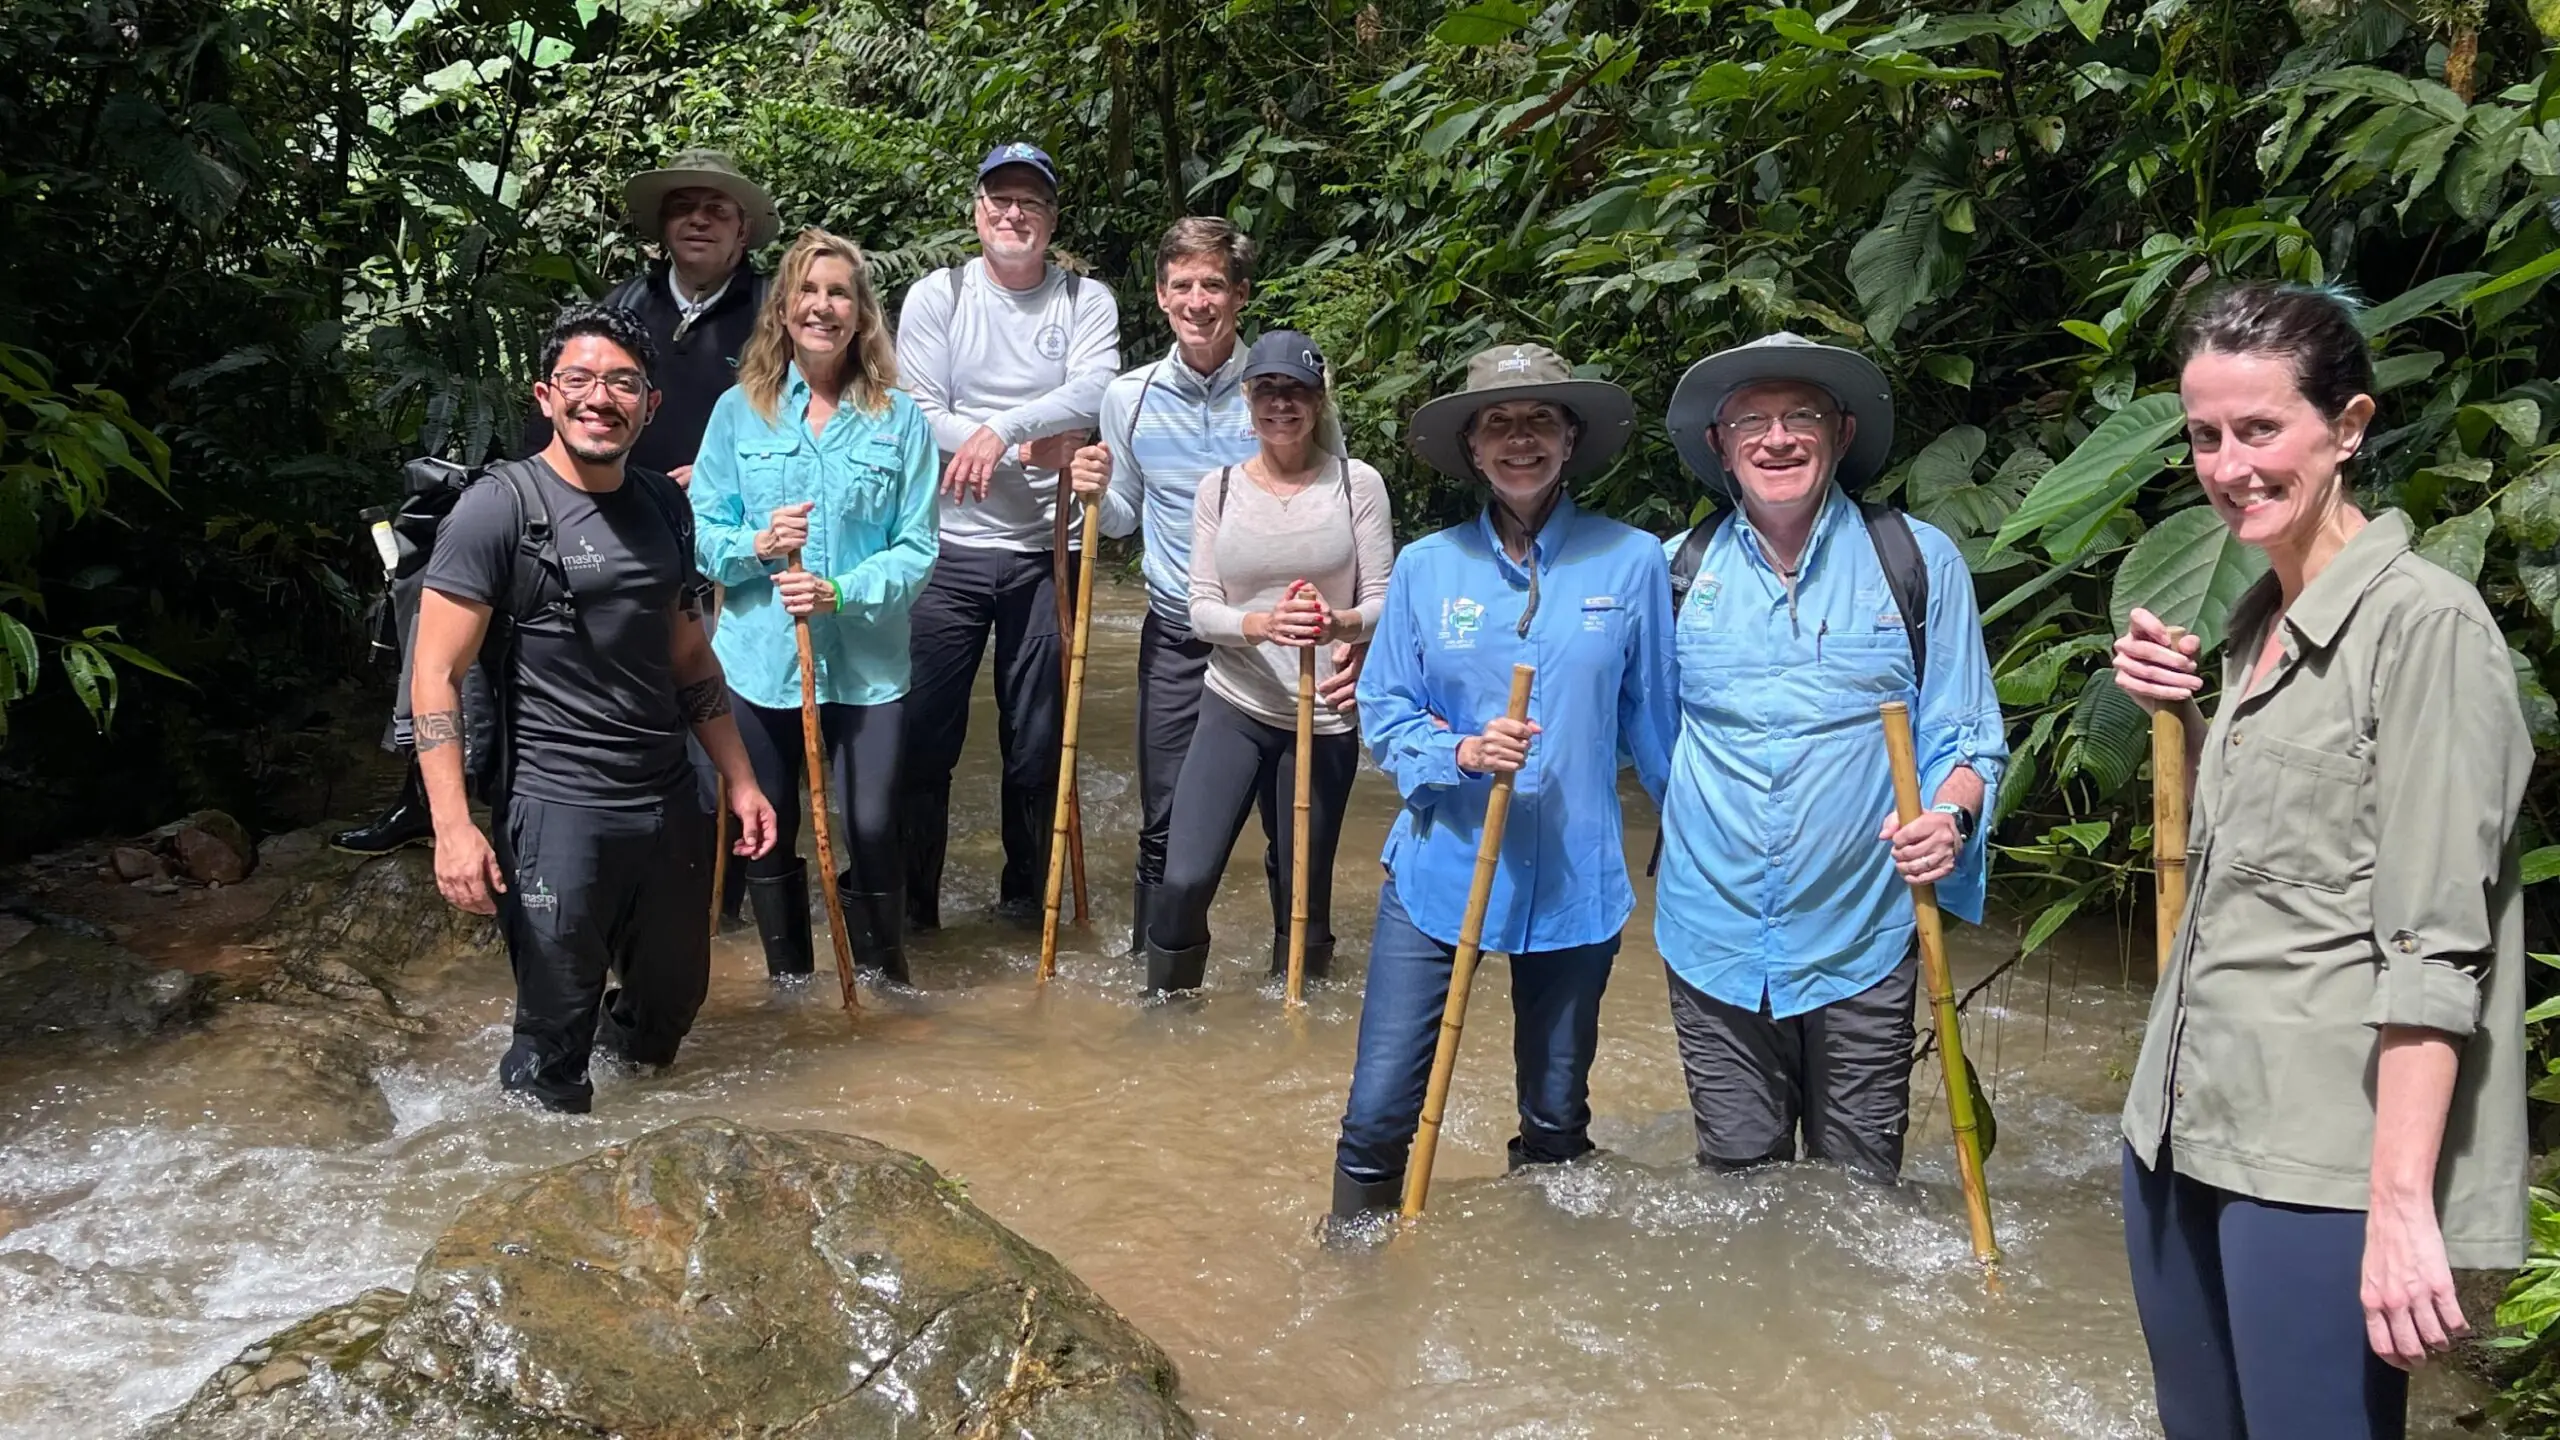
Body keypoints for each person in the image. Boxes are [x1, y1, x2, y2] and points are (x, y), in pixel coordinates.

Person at [2110, 282, 2528, 1439]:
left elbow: (2433, 942)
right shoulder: (2255, 625)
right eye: (2205, 435)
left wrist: (2399, 1207)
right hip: (2178, 1123)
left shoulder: (2425, 627)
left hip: (2314, 1163)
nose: (2229, 465)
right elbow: (2270, 860)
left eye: (2260, 429)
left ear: (2346, 427)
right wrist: (2183, 719)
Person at [336, 149, 780, 862]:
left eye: (717, 210)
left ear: (744, 230)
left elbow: (809, 425)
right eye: (682, 208)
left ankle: (713, 853)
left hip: (710, 534)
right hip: (588, 517)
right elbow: (560, 415)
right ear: (661, 225)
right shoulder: (623, 308)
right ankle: (433, 799)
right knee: (445, 607)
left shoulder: (773, 316)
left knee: (687, 679)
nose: (698, 221)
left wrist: (728, 474)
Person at [1328, 343, 1675, 1224]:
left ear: (1570, 439)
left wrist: (1696, 835)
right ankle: (1356, 1276)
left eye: (1540, 421)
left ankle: (1544, 1274)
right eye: (1499, 424)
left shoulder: (1632, 560)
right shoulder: (1427, 567)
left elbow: (1657, 720)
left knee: (1556, 1120)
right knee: (1377, 1116)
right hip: (1441, 866)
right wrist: (1461, 754)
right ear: (1473, 450)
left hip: (1575, 876)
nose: (1521, 439)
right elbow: (1385, 707)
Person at [1650, 332, 2007, 1182]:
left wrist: (1949, 817)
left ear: (1841, 434)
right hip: (1712, 934)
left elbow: (1966, 735)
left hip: (1864, 932)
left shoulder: (1916, 560)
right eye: (1753, 422)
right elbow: (1635, 735)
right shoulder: (1670, 574)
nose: (1777, 439)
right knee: (1739, 1191)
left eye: (1800, 417)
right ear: (1721, 447)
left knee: (1859, 1194)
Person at [411, 303, 778, 1113]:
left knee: (666, 1016)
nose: (599, 398)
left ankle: (624, 1152)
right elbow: (434, 674)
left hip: (666, 802)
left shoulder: (666, 506)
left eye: (622, 383)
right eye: (579, 379)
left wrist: (742, 779)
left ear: (650, 404)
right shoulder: (499, 509)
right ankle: (538, 1167)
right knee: (552, 1042)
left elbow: (690, 655)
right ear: (547, 395)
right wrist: (453, 827)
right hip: (556, 810)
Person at [689, 230, 938, 985]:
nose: (822, 306)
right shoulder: (739, 412)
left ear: (861, 314)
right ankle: (790, 987)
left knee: (872, 824)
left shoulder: (900, 418)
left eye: (839, 293)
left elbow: (918, 548)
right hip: (760, 661)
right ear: (783, 309)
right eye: (808, 290)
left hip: (867, 665)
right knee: (766, 825)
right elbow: (702, 533)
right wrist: (760, 545)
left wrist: (841, 592)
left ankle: (883, 981)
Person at [894, 142, 1121, 928]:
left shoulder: (1084, 300)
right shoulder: (940, 295)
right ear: (977, 211)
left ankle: (1028, 906)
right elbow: (918, 413)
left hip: (1046, 553)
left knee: (1038, 747)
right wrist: (1021, 447)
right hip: (945, 550)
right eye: (1000, 199)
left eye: (1031, 201)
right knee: (922, 741)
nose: (1014, 213)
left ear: (1052, 219)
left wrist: (999, 430)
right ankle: (913, 912)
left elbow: (1095, 388)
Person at [1141, 331, 1393, 997]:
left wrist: (1341, 623)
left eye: (1297, 391)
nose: (1283, 404)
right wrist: (1261, 625)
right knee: (1185, 878)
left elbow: (1384, 601)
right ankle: (1165, 1013)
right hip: (1235, 704)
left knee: (1301, 890)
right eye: (1269, 391)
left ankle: (1297, 1016)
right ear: (1248, 401)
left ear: (1319, 401)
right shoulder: (1219, 489)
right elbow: (1201, 609)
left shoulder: (1357, 484)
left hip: (1323, 714)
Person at [1072, 217, 1281, 959]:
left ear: (1241, 294)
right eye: (1183, 285)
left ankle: (1294, 981)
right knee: (1162, 819)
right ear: (1161, 295)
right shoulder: (1129, 397)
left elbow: (1333, 506)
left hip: (1274, 637)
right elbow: (1123, 518)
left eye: (1214, 284)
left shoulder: (1282, 389)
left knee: (1289, 822)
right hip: (1177, 637)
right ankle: (1154, 977)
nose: (1198, 301)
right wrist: (1092, 492)